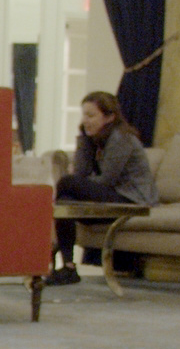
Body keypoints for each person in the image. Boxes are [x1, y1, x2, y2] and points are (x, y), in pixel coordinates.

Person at [47, 90, 156, 286]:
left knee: (66, 182)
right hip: (112, 195)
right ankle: (69, 267)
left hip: (132, 199)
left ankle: (56, 251)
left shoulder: (121, 138)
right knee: (65, 202)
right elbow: (81, 173)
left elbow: (106, 180)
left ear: (109, 117)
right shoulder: (95, 140)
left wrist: (80, 181)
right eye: (84, 115)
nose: (85, 120)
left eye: (91, 115)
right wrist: (83, 139)